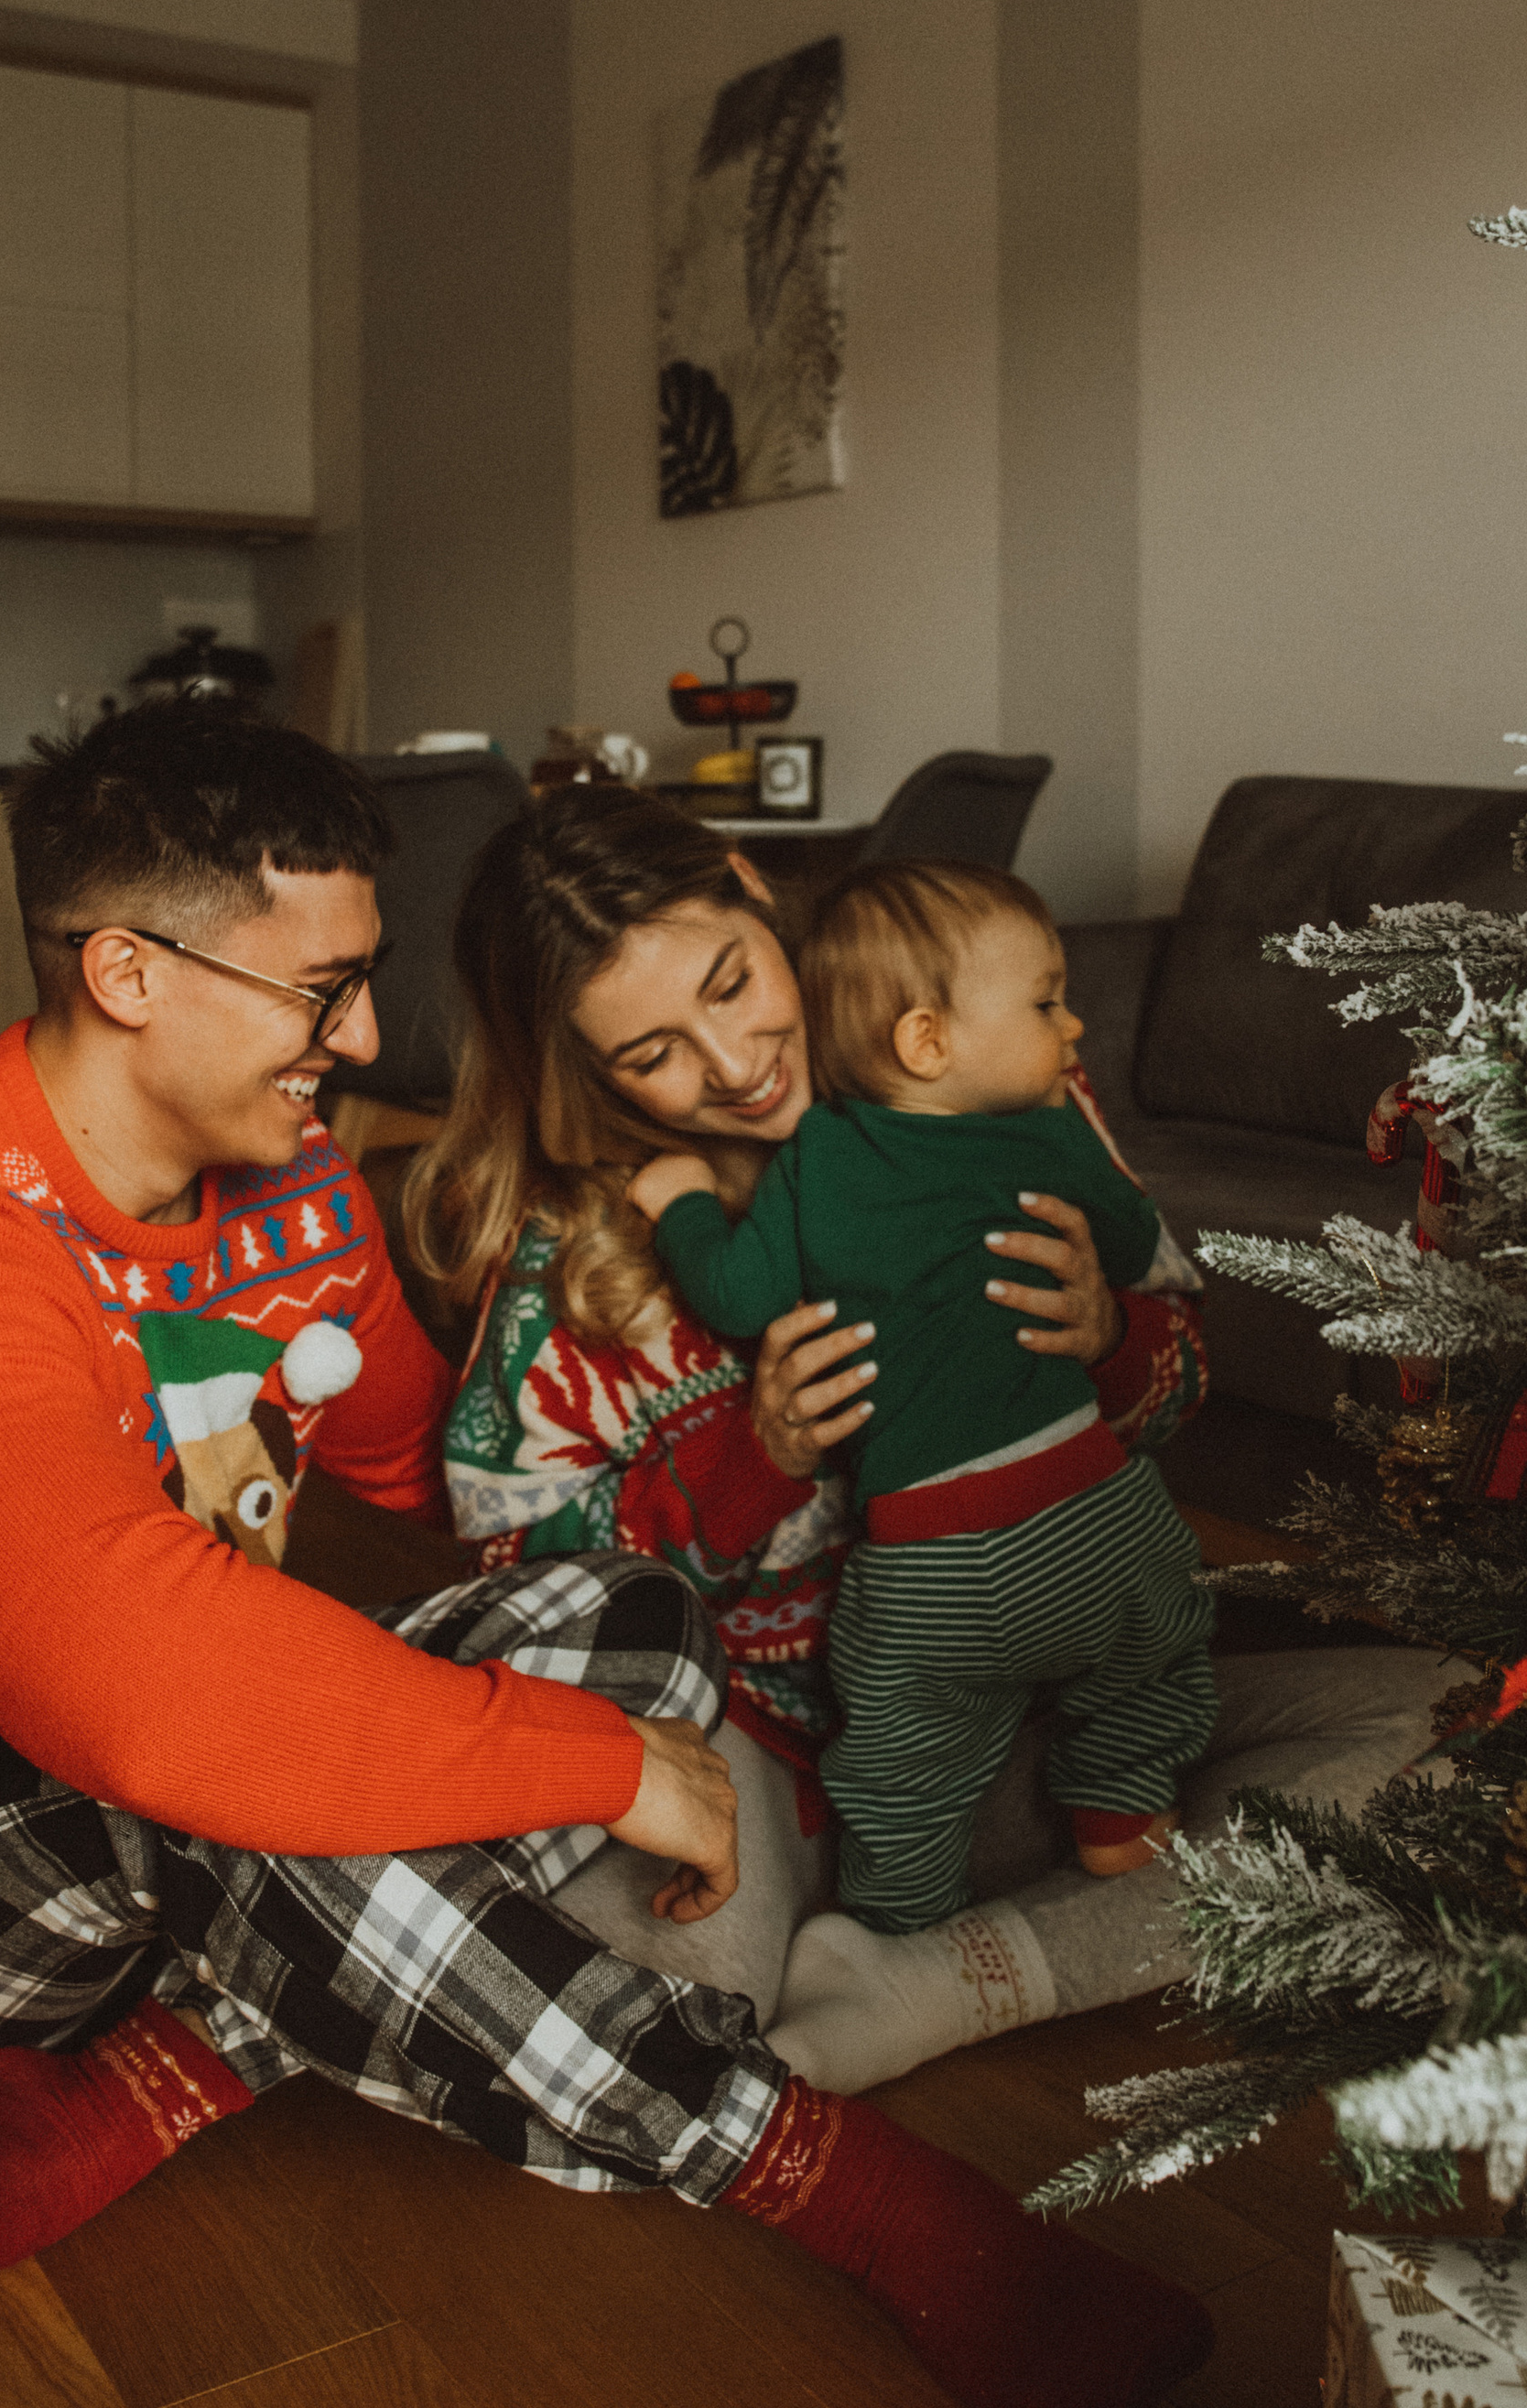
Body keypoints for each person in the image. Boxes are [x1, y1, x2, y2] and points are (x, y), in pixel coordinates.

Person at [0, 701, 1209, 2408]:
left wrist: (666, 1415)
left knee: (627, 1614)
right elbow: (144, 1693)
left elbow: (459, 1497)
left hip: (122, 1894)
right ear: (129, 974)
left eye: (367, 977)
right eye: (322, 995)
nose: (366, 1035)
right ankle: (880, 2207)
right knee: (189, 1725)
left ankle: (95, 2103)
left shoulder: (294, 1189)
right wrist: (602, 1764)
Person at [410, 782, 1446, 2095]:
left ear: (750, 882)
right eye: (653, 1051)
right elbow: (518, 1590)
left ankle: (947, 1976)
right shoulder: (581, 1253)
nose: (733, 1066)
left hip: (1041, 1714)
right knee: (657, 2030)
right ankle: (917, 1940)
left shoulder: (986, 1072)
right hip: (769, 1769)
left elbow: (1178, 1386)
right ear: (583, 1074)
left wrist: (1110, 1338)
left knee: (1450, 1736)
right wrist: (752, 1463)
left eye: (731, 981)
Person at [634, 858, 1218, 1933]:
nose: (1075, 1026)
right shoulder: (1043, 1129)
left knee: (902, 1761)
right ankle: (1122, 1823)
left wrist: (679, 1208)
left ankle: (901, 1922)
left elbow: (735, 1293)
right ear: (927, 1043)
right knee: (1157, 1652)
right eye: (1047, 1003)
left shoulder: (812, 1157)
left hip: (932, 1567)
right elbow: (1135, 1242)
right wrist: (1100, 1254)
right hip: (1100, 1516)